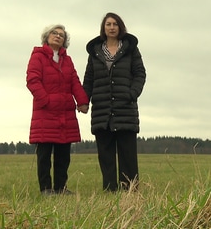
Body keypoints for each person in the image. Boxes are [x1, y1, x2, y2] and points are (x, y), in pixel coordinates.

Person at [83, 13, 146, 192]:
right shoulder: (96, 51)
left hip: (125, 108)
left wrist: (132, 93)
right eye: (108, 24)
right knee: (106, 154)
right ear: (103, 28)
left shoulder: (130, 49)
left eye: (115, 24)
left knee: (128, 154)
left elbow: (140, 73)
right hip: (102, 109)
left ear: (120, 27)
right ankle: (109, 190)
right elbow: (89, 78)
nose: (112, 27)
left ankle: (130, 190)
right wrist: (84, 101)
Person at [26, 24, 89, 195]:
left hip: (65, 114)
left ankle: (61, 188)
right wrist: (46, 100)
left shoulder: (67, 60)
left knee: (63, 155)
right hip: (45, 113)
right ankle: (46, 189)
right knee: (44, 155)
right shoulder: (37, 57)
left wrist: (82, 101)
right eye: (54, 33)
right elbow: (33, 81)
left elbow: (74, 81)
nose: (58, 36)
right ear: (46, 37)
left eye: (62, 35)